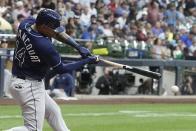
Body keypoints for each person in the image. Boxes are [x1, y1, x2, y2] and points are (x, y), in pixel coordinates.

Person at [5, 8, 99, 131]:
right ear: (43, 26)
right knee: (32, 129)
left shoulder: (26, 24)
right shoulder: (43, 45)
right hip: (29, 86)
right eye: (53, 28)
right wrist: (86, 61)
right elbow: (61, 68)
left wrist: (78, 46)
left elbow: (58, 34)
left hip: (22, 81)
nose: (55, 32)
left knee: (53, 112)